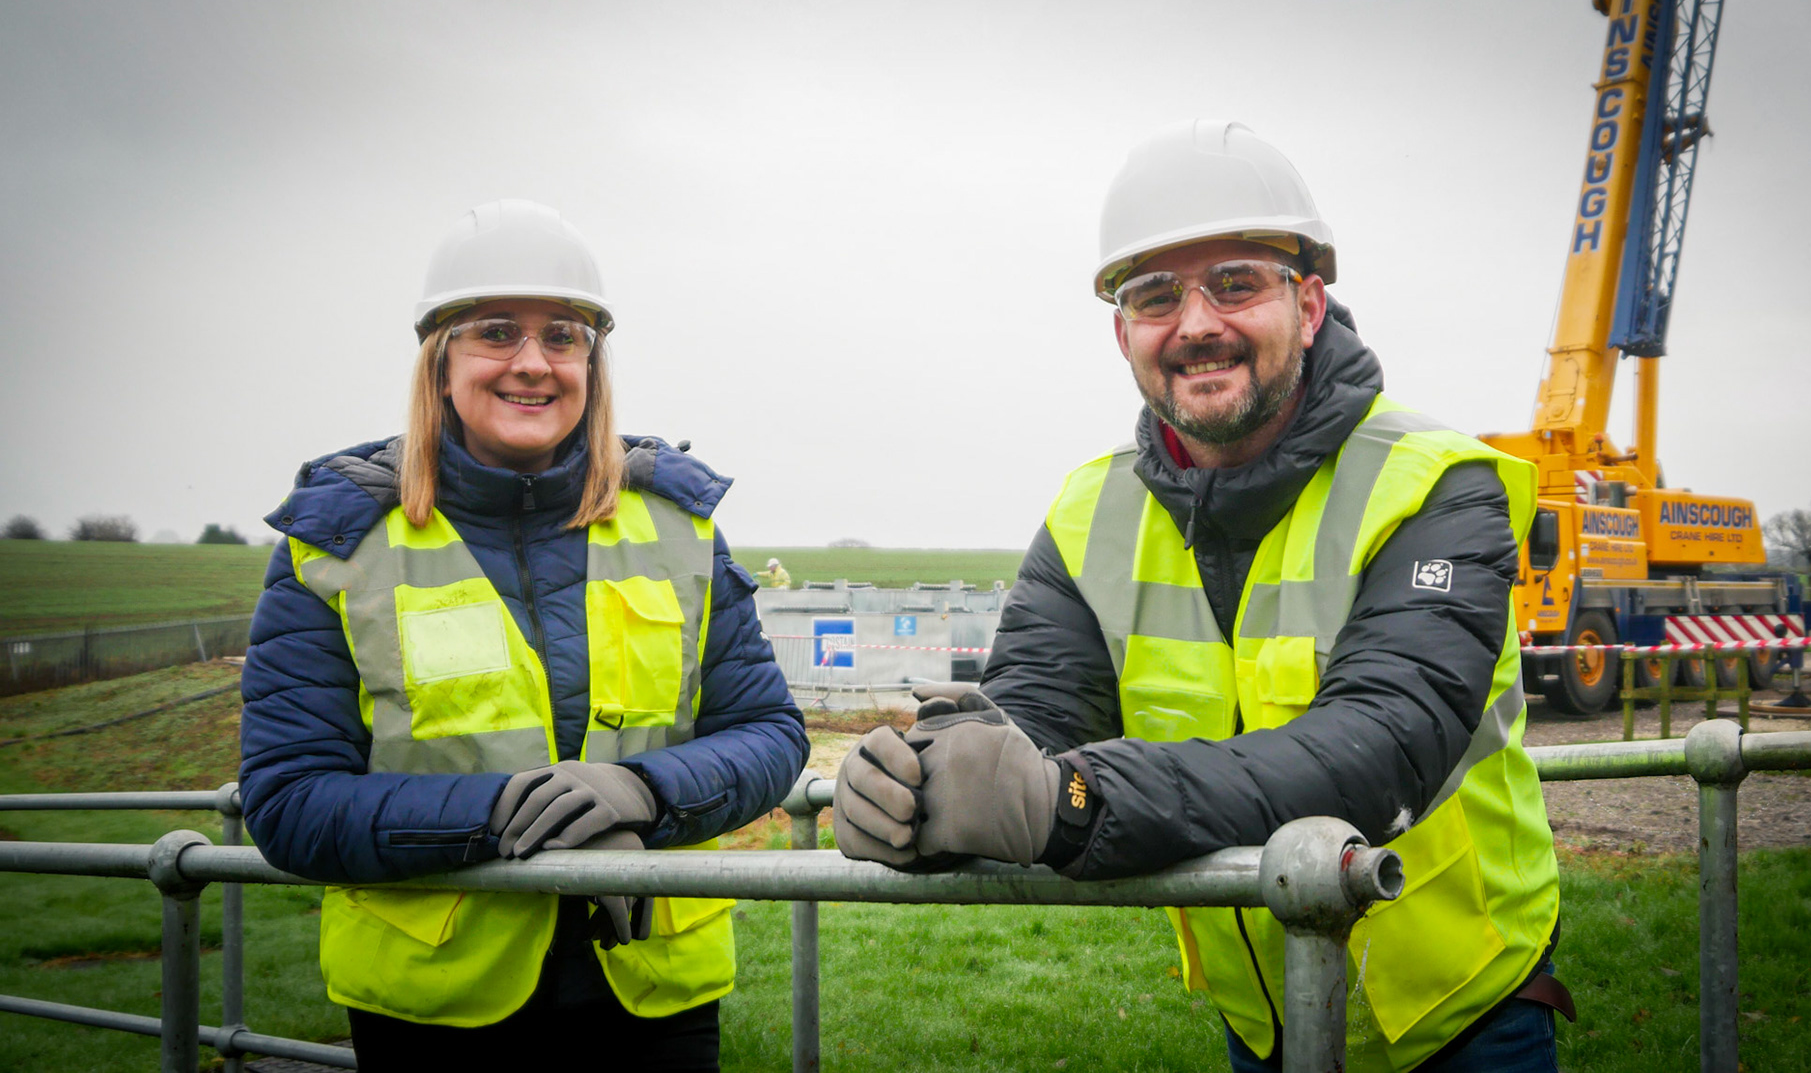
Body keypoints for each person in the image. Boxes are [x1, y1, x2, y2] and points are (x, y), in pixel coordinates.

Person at [833, 122, 1567, 1072]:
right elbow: (1031, 728)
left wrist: (1073, 800)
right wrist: (922, 785)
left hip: (1466, 1014)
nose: (1195, 324)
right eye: (1154, 295)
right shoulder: (1091, 513)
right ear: (1122, 333)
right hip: (1260, 1022)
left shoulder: (1436, 485)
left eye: (1235, 282)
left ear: (1309, 305)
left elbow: (1381, 746)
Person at [240, 199, 808, 1070]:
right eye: (497, 332)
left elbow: (770, 732)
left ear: (592, 363)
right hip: (435, 1008)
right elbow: (290, 800)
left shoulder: (679, 528)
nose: (533, 362)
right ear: (440, 362)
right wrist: (502, 815)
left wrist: (642, 792)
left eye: (563, 336)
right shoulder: (336, 548)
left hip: (654, 995)